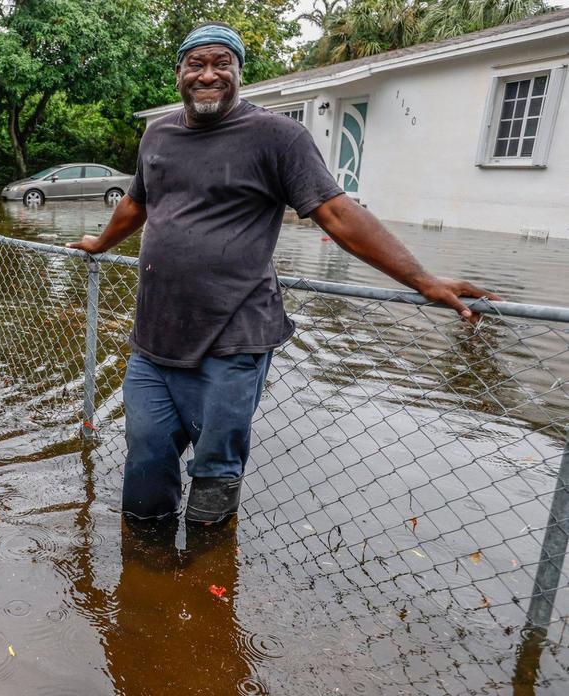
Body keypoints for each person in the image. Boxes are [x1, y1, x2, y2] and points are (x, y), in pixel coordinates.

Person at [67, 22, 500, 524]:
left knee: (214, 473)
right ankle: (148, 575)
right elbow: (136, 203)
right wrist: (99, 243)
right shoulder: (158, 134)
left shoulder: (278, 137)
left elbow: (337, 215)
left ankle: (209, 571)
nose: (208, 75)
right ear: (179, 72)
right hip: (155, 338)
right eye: (196, 64)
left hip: (234, 339)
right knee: (144, 467)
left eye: (221, 64)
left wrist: (424, 280)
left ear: (238, 72)